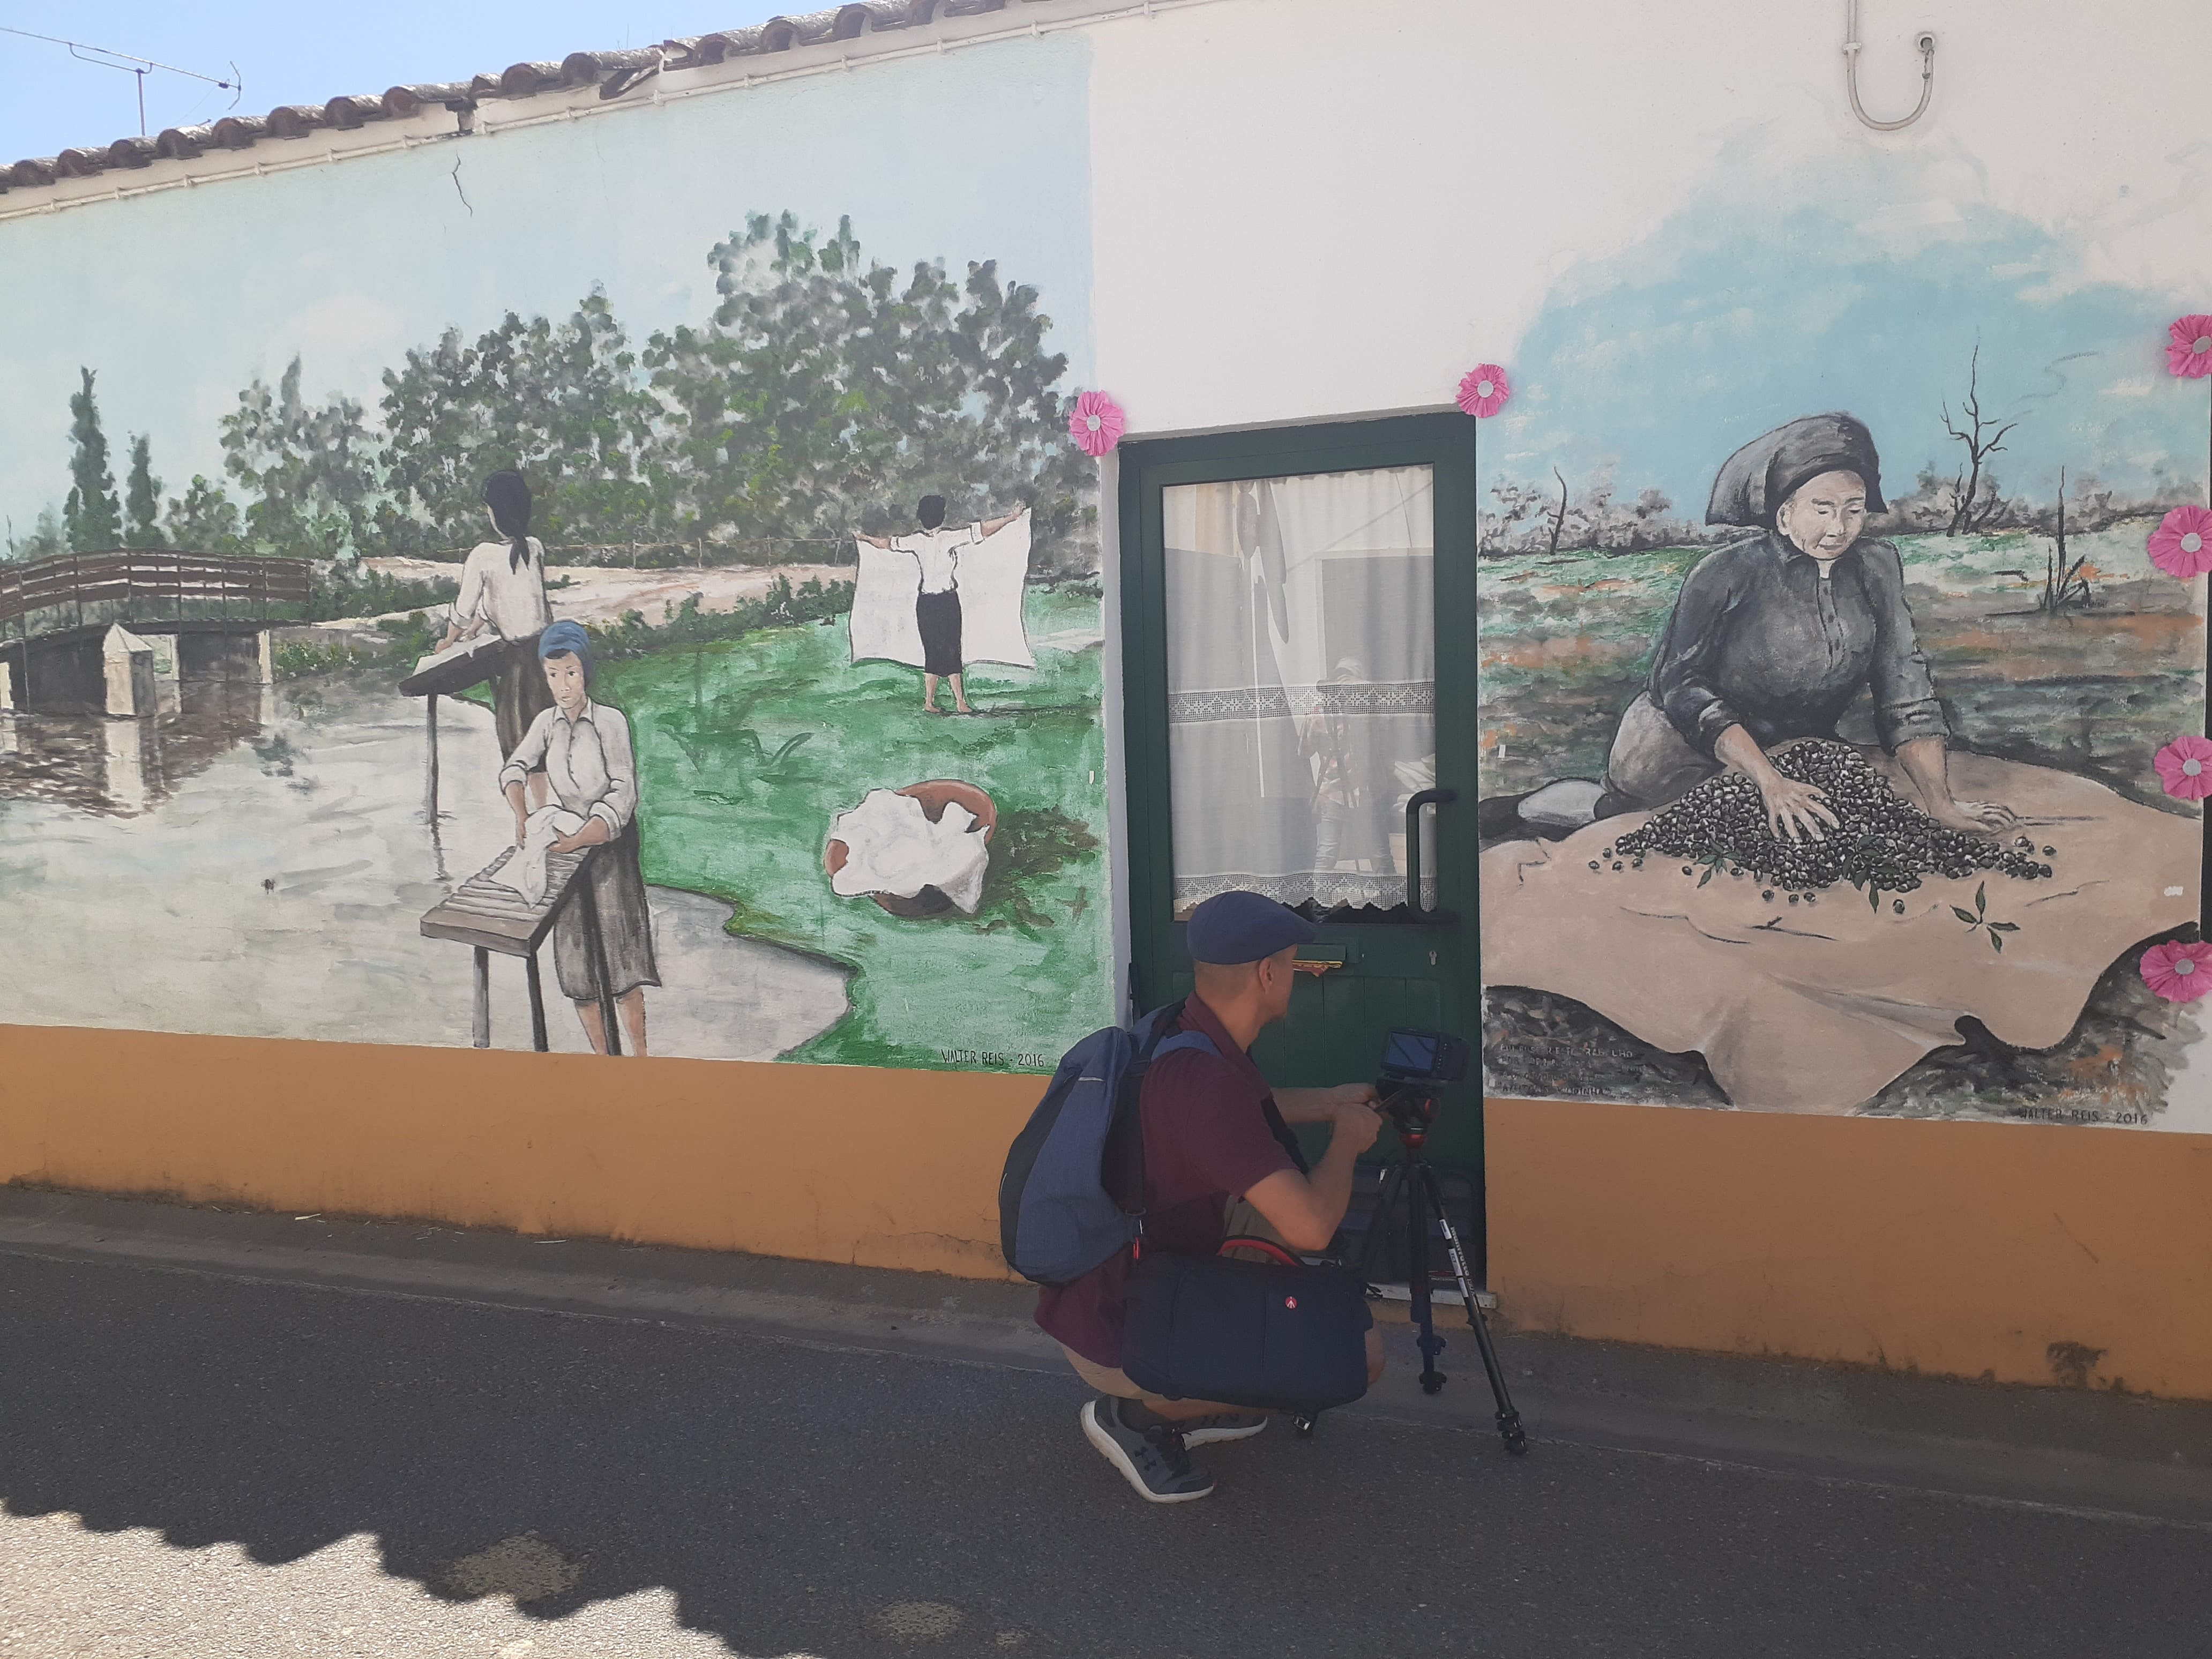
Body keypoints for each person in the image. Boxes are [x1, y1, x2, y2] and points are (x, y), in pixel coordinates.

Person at [1483, 414, 2017, 843]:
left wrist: (1941, 803)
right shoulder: (1725, 573)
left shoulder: (1877, 568)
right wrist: (1767, 780)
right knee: (1625, 818)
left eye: (1853, 510)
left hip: (1789, 752)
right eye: (1822, 509)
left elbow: (1905, 683)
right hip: (1678, 752)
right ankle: (1520, 812)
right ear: (1784, 514)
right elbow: (1681, 686)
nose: (1839, 528)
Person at [1035, 891, 1387, 1504]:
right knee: (1360, 1353)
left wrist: (1330, 1102)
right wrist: (1348, 1141)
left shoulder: (1181, 1030)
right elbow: (1311, 1227)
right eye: (1293, 965)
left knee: (1267, 1226)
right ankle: (1139, 1416)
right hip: (1117, 1331)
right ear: (1267, 974)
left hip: (1111, 1282)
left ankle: (1206, 1381)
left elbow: (1240, 1119)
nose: (1296, 977)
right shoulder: (1204, 1082)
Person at [498, 621, 659, 1057]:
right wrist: (522, 815)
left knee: (622, 964)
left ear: (586, 671)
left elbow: (623, 792)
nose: (563, 685)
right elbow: (515, 767)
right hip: (568, 850)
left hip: (610, 848)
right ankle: (603, 1064)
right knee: (578, 970)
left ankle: (642, 1060)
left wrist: (583, 838)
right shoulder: (546, 724)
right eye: (553, 675)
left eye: (571, 673)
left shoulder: (610, 722)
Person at [854, 496, 1028, 713]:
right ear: (942, 516)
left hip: (926, 603)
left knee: (933, 651)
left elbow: (886, 544)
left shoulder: (916, 540)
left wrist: (864, 537)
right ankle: (959, 702)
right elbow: (984, 530)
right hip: (946, 601)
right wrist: (1012, 517)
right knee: (952, 650)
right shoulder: (947, 537)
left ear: (921, 517)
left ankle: (931, 702)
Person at [441, 469, 556, 767]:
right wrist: (477, 627)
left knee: (521, 750)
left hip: (519, 665)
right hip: (546, 656)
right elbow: (507, 598)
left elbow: (463, 610)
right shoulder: (534, 547)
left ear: (497, 512)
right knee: (548, 746)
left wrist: (450, 640)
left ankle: (531, 799)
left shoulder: (483, 555)